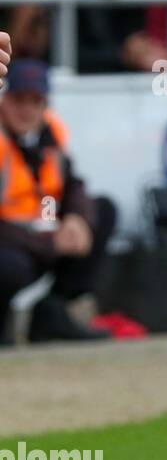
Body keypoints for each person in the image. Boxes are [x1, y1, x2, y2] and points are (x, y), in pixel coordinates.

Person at [0, 58, 116, 346]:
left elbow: (72, 183)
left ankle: (54, 311)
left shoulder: (50, 133)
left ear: (45, 105)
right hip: (12, 241)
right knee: (10, 266)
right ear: (4, 99)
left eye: (35, 101)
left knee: (102, 210)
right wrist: (47, 243)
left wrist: (78, 219)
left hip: (40, 233)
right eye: (18, 99)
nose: (26, 109)